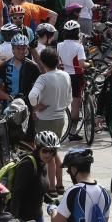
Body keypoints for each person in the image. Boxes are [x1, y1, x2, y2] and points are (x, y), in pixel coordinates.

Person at [28, 48, 70, 190]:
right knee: (54, 152)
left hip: (45, 119)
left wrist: (36, 106)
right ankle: (59, 184)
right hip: (60, 118)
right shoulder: (65, 75)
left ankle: (51, 187)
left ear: (42, 62)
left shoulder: (43, 78)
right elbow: (69, 98)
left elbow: (32, 96)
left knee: (47, 155)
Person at [0, 35, 41, 104]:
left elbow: (38, 89)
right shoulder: (3, 66)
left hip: (27, 106)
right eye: (18, 48)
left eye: (23, 48)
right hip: (9, 106)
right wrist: (8, 97)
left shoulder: (33, 67)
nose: (21, 51)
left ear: (27, 49)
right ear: (13, 49)